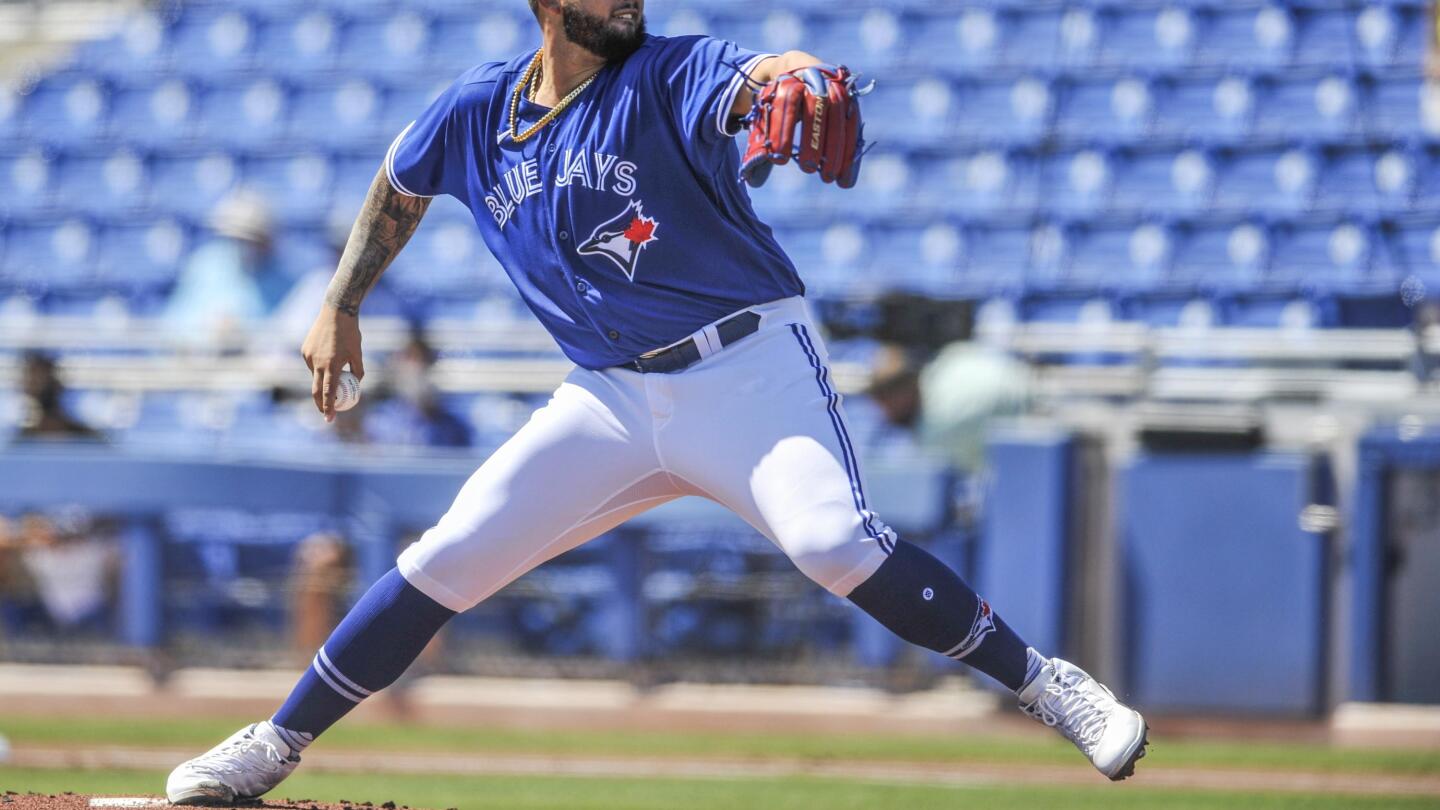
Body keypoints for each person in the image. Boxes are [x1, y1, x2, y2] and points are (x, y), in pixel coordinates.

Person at [165, 1, 1146, 803]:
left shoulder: (668, 71)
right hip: (607, 398)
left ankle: (1048, 685)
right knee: (446, 559)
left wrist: (793, 74)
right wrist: (340, 302)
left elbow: (763, 72)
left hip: (745, 370)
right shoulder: (477, 111)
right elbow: (399, 183)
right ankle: (275, 744)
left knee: (834, 544)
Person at [162, 191, 294, 349]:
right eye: (237, 238)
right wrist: (208, 332)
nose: (244, 247)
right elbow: (174, 325)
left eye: (251, 239)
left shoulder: (282, 279)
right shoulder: (206, 264)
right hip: (202, 361)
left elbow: (286, 335)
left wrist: (244, 334)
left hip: (254, 366)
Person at [16, 352, 102, 441]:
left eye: (37, 380)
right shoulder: (23, 442)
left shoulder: (87, 438)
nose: (33, 384)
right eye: (31, 381)